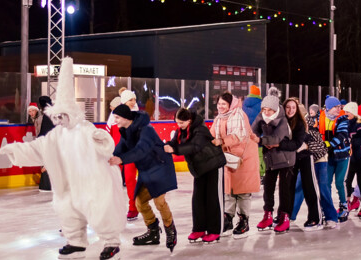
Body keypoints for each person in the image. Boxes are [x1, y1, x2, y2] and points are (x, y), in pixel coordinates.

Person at [0, 57, 125, 260]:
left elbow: (106, 145)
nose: (57, 120)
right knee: (67, 209)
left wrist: (102, 140)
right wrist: (14, 149)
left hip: (92, 180)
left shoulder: (85, 129)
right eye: (55, 116)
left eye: (61, 116)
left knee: (99, 210)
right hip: (68, 183)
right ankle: (76, 242)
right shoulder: (57, 135)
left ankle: (111, 242)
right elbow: (38, 148)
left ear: (71, 114)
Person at [109, 104, 178, 252]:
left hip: (160, 168)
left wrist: (121, 160)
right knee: (139, 202)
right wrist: (108, 157)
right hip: (146, 170)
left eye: (117, 118)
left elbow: (141, 150)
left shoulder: (146, 130)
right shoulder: (126, 131)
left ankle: (170, 228)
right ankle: (153, 231)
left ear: (126, 118)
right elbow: (120, 148)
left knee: (159, 202)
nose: (115, 121)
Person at [164, 108, 225, 243]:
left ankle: (214, 231)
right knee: (197, 198)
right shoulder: (181, 130)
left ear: (189, 120)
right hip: (199, 168)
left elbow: (194, 147)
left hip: (212, 165)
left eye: (181, 123)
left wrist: (174, 150)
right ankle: (199, 228)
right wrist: (167, 146)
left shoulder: (200, 130)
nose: (178, 125)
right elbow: (174, 142)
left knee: (211, 198)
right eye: (177, 123)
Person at [211, 92, 260, 239]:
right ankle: (228, 218)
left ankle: (244, 220)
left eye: (224, 104)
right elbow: (212, 133)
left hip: (244, 157)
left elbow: (238, 135)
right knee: (229, 189)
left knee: (243, 191)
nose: (221, 107)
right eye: (219, 104)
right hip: (228, 156)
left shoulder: (239, 115)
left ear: (230, 105)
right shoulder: (219, 118)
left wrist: (222, 141)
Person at [253, 87, 295, 233]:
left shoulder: (282, 120)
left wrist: (259, 139)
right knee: (268, 189)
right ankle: (268, 215)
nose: (266, 112)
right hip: (270, 159)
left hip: (285, 159)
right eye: (264, 109)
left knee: (284, 190)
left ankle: (284, 216)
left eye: (269, 110)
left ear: (276, 109)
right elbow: (253, 131)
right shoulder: (261, 116)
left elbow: (275, 140)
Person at [291, 114, 339, 229]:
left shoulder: (313, 133)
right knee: (299, 186)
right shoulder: (300, 133)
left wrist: (306, 147)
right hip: (307, 163)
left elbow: (320, 149)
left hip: (320, 162)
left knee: (323, 189)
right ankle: (290, 215)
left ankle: (331, 217)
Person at [282, 97, 322, 231]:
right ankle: (285, 216)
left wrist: (281, 144)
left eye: (293, 108)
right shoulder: (282, 122)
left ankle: (315, 217)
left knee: (309, 187)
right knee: (288, 188)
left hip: (304, 157)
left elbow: (297, 143)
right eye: (288, 107)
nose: (290, 110)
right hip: (291, 158)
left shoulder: (300, 123)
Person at [319, 96, 351, 222]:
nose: (339, 109)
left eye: (339, 107)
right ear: (328, 108)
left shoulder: (343, 119)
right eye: (335, 107)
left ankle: (344, 206)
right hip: (328, 156)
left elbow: (342, 135)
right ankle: (327, 207)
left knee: (339, 182)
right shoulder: (320, 118)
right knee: (326, 183)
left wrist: (327, 145)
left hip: (342, 156)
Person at [343, 102, 361, 218]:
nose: (346, 114)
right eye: (345, 112)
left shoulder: (360, 125)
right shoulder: (346, 124)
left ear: (353, 113)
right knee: (347, 180)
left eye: (348, 112)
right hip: (352, 158)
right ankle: (347, 203)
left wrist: (350, 141)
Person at [120, 89, 140, 221]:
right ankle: (133, 207)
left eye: (134, 99)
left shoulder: (138, 115)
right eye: (130, 100)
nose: (133, 102)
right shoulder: (116, 115)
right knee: (129, 180)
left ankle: (140, 205)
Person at [242, 85, 266, 180]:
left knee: (248, 155)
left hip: (247, 135)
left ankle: (249, 173)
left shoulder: (244, 104)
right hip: (259, 134)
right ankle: (261, 173)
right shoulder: (262, 104)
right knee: (260, 154)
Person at [37, 96, 55, 192]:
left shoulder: (47, 115)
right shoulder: (54, 113)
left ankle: (46, 185)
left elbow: (45, 130)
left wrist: (39, 138)